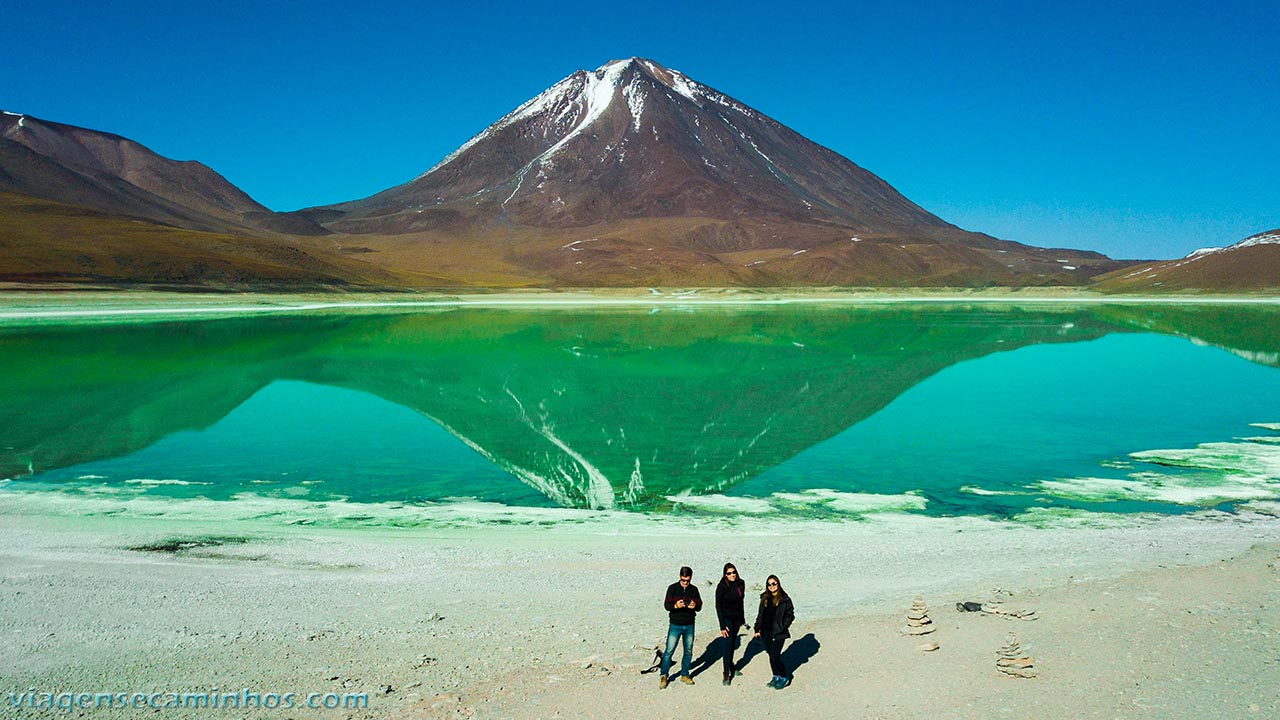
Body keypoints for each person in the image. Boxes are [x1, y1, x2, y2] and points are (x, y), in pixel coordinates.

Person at [659, 565, 701, 688]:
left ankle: (685, 674)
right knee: (668, 651)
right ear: (679, 577)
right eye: (683, 580)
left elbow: (700, 605)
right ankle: (664, 675)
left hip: (689, 624)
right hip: (675, 624)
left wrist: (695, 606)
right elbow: (667, 605)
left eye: (688, 580)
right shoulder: (672, 588)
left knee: (688, 651)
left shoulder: (694, 590)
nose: (685, 583)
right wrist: (676, 606)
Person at [752, 574, 795, 689]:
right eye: (769, 584)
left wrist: (782, 626)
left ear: (778, 584)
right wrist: (757, 629)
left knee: (775, 656)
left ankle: (784, 677)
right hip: (766, 631)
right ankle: (776, 676)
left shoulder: (785, 599)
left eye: (774, 583)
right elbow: (760, 615)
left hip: (779, 633)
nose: (772, 586)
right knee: (771, 656)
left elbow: (790, 615)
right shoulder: (765, 598)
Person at [714, 562, 746, 686]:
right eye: (729, 573)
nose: (732, 575)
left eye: (733, 572)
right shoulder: (722, 586)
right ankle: (726, 672)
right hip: (726, 618)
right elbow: (718, 606)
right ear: (725, 575)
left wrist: (742, 618)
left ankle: (731, 666)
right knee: (728, 644)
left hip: (737, 618)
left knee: (732, 643)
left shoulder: (740, 583)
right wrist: (722, 625)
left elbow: (741, 601)